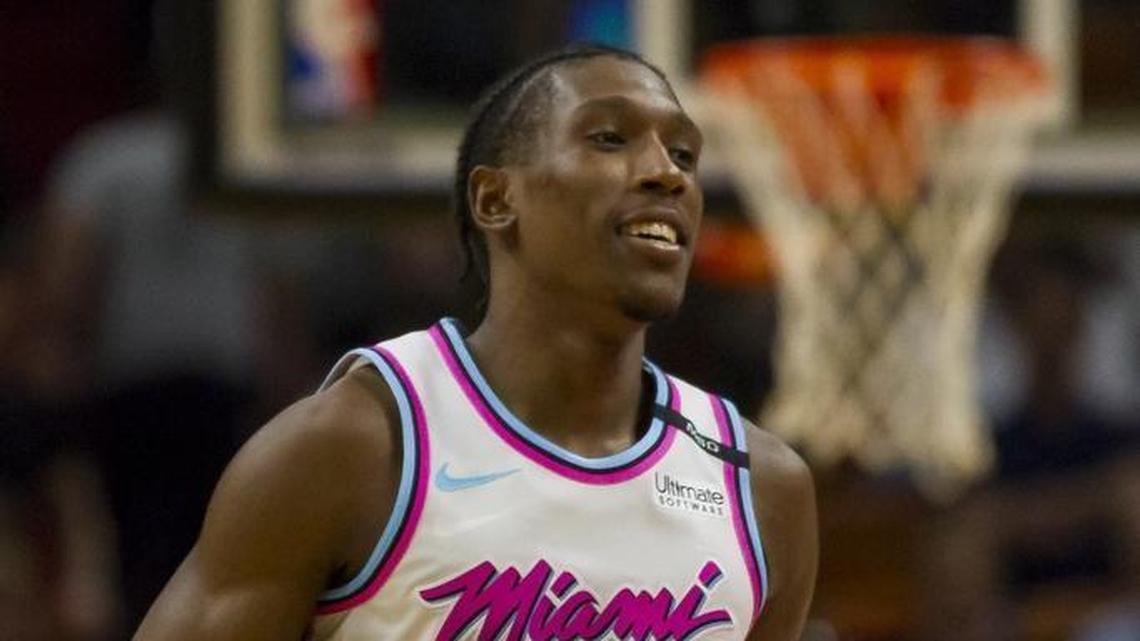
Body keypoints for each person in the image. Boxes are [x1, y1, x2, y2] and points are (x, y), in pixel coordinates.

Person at [135, 43, 818, 641]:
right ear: (495, 200)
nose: (668, 173)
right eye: (610, 138)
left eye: (684, 154)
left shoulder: (761, 488)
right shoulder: (356, 446)